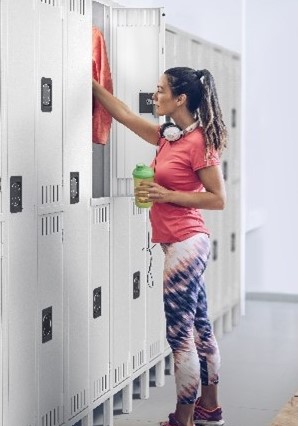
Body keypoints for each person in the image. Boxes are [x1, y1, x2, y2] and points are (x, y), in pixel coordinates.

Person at [92, 67, 227, 426]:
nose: (155, 95)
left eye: (161, 90)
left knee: (179, 336)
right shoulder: (168, 136)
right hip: (180, 245)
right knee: (200, 327)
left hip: (186, 245)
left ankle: (182, 419)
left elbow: (218, 199)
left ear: (180, 99)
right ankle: (209, 409)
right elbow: (122, 114)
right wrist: (89, 82)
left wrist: (168, 195)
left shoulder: (200, 143)